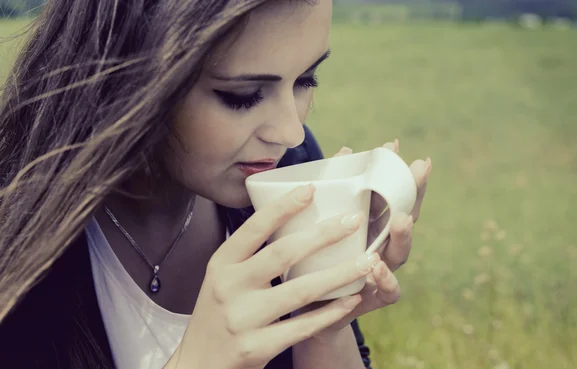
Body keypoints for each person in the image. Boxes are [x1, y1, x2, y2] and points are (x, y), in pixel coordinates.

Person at [0, 0, 432, 368]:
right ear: (128, 76)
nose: (290, 133)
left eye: (306, 80)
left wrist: (322, 321)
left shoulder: (287, 173)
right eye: (242, 95)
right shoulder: (13, 228)